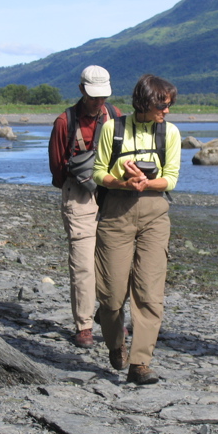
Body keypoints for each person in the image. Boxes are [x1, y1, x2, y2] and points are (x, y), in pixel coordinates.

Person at [92, 74, 181, 385]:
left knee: (149, 294)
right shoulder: (112, 129)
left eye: (169, 105)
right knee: (111, 295)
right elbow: (98, 172)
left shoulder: (169, 133)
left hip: (155, 212)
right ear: (145, 103)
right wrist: (123, 182)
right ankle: (116, 344)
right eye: (163, 105)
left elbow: (171, 178)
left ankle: (140, 363)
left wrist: (146, 182)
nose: (167, 111)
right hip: (116, 211)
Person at [48, 65, 122, 349]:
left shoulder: (115, 115)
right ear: (81, 90)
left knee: (113, 259)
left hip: (112, 191)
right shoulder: (64, 122)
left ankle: (109, 315)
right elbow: (57, 169)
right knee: (82, 263)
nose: (98, 102)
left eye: (102, 97)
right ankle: (84, 325)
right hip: (78, 194)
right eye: (93, 97)